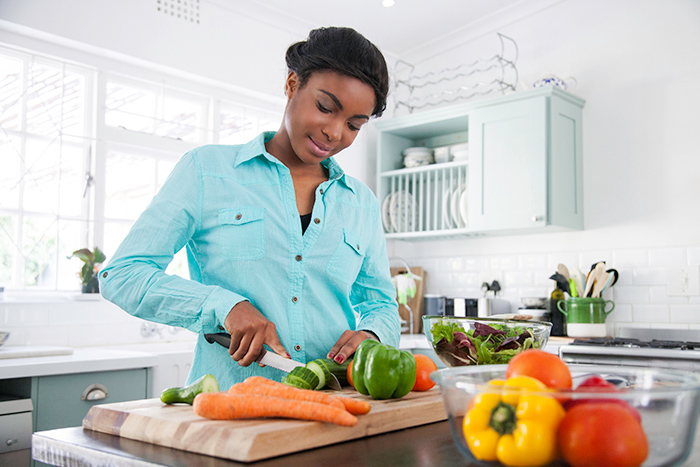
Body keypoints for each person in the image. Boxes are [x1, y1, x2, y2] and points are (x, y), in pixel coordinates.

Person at [99, 27, 400, 390]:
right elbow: (122, 274)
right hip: (231, 409)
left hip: (336, 405)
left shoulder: (361, 203)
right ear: (292, 84)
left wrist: (371, 334)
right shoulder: (207, 171)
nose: (335, 133)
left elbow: (380, 303)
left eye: (354, 125)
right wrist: (223, 306)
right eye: (325, 108)